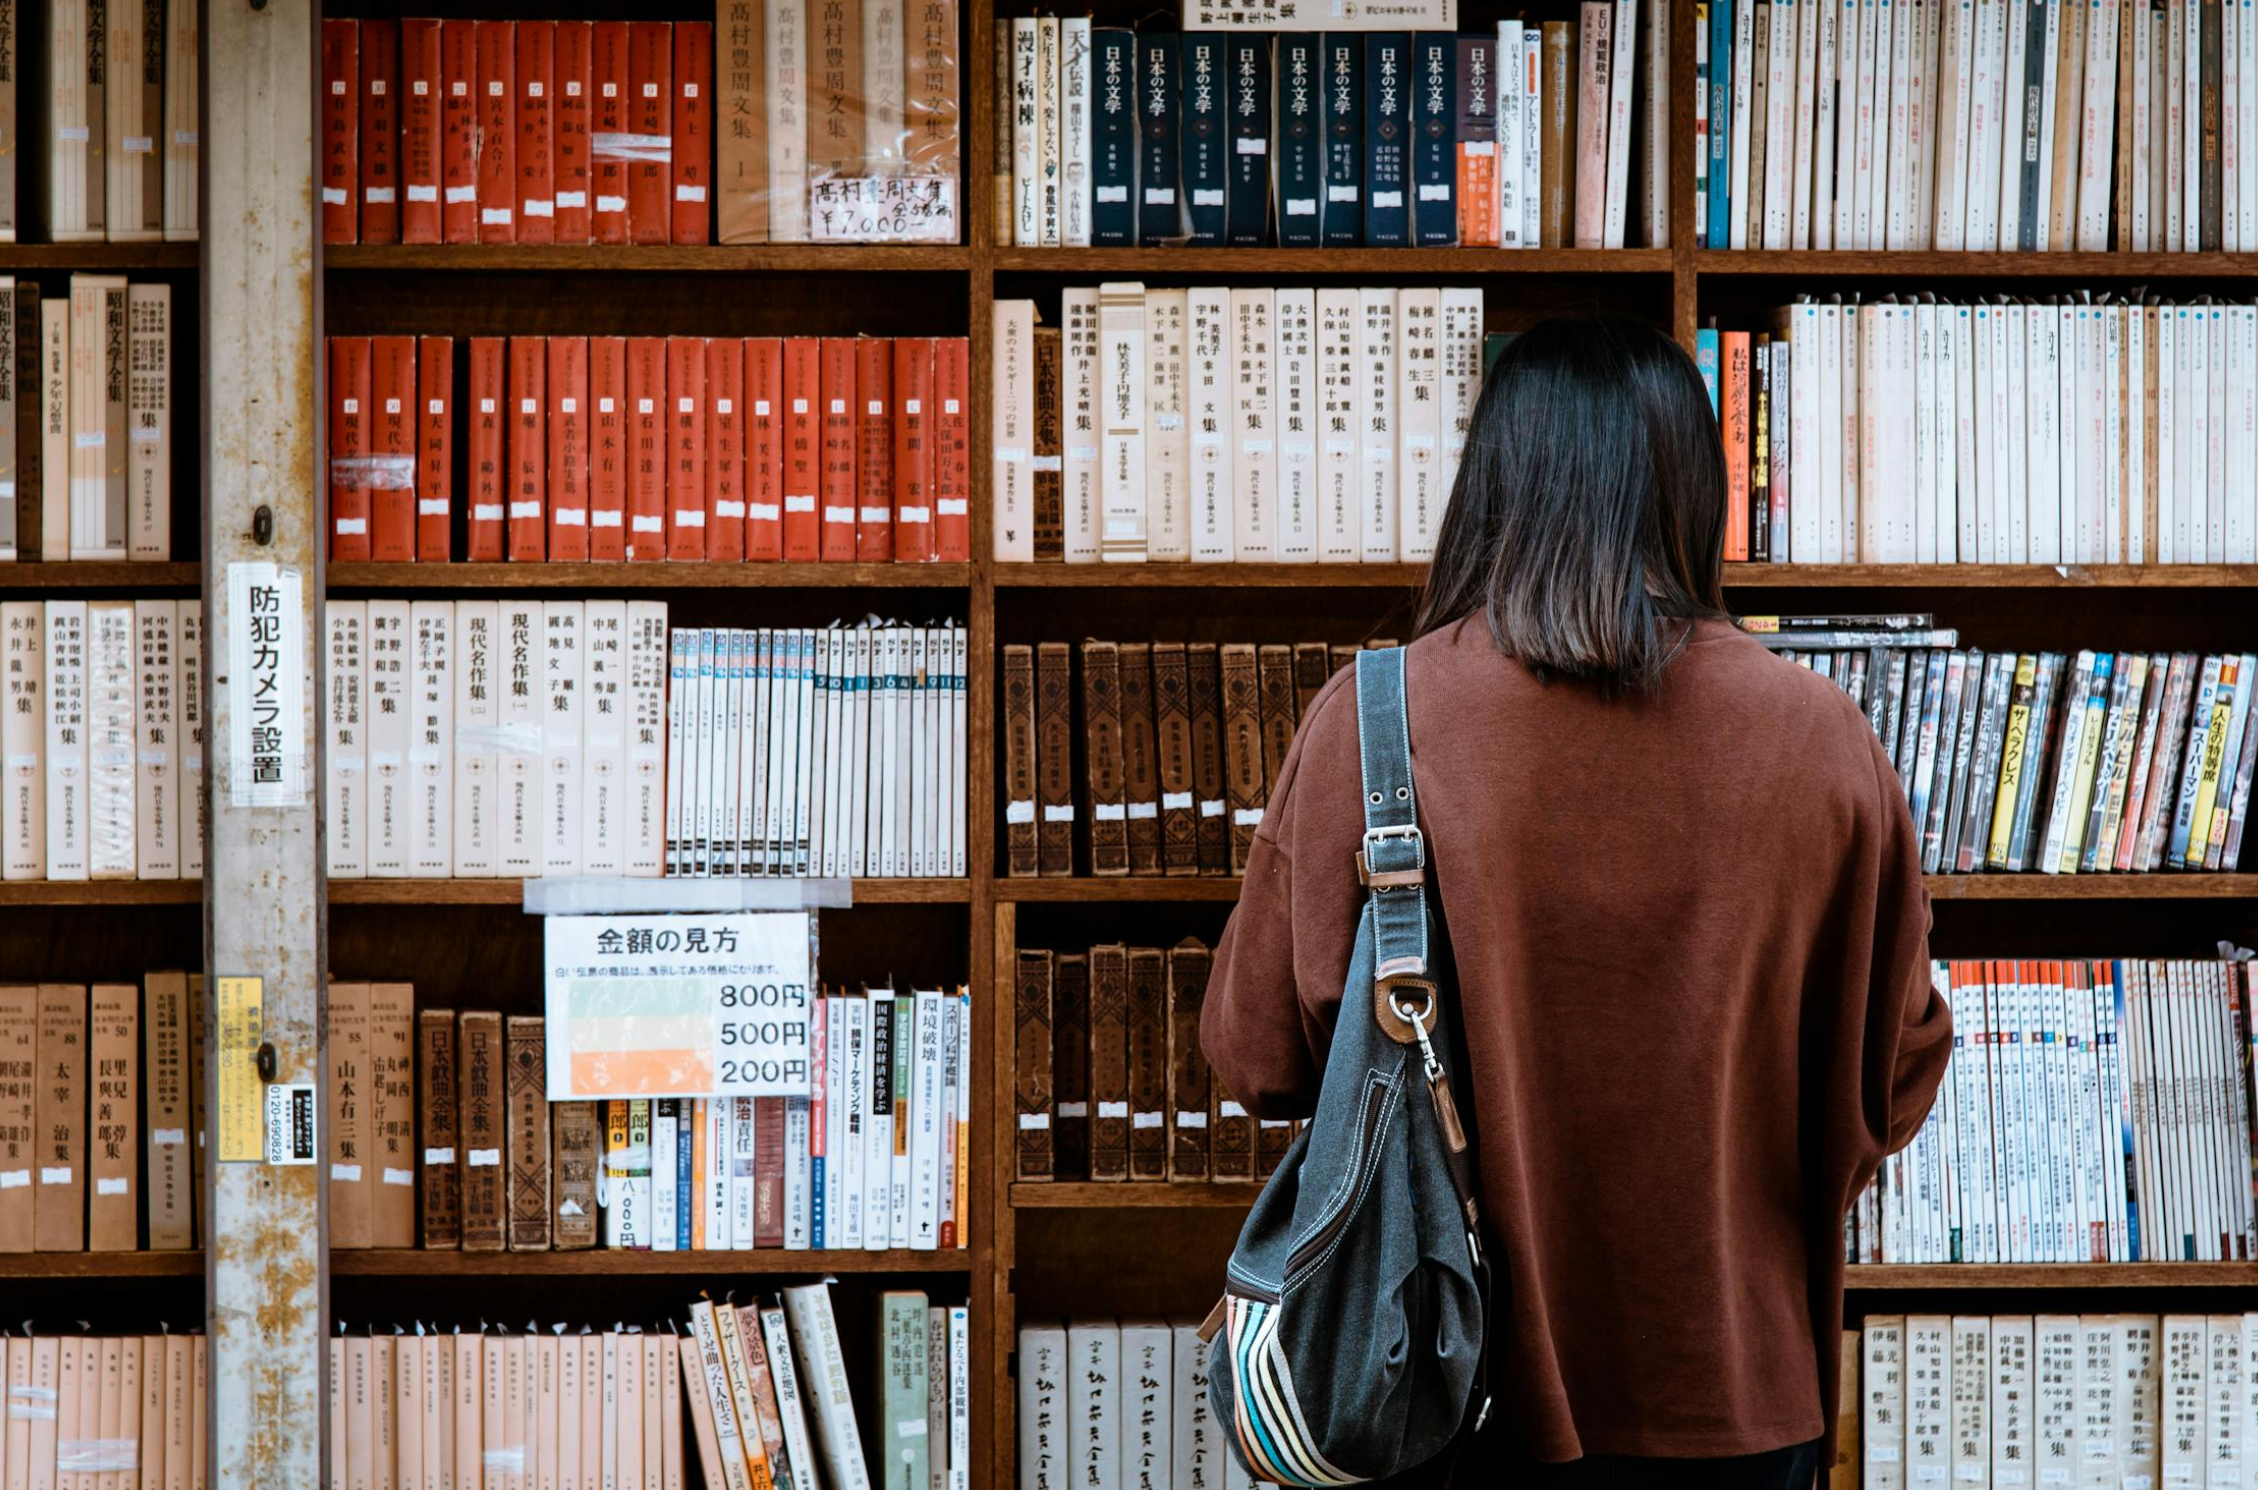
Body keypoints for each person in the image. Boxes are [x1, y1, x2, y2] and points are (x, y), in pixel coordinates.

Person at [1199, 315, 1952, 1488]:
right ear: (1693, 494)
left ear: (1490, 484)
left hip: (1435, 1383)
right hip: (1741, 1397)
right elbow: (1894, 1079)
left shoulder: (1373, 717)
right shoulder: (1822, 741)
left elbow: (1257, 1056)